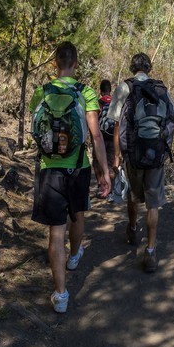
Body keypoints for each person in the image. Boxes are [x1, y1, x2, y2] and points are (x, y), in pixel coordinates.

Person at [29, 42, 112, 313]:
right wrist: (105, 172)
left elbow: (36, 130)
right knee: (78, 214)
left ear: (55, 63)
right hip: (78, 166)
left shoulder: (41, 92)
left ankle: (61, 295)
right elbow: (96, 135)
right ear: (75, 64)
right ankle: (75, 256)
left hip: (49, 168)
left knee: (55, 231)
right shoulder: (85, 92)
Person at [109, 52, 174, 273]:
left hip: (133, 155)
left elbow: (117, 126)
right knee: (153, 203)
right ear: (149, 68)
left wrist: (116, 157)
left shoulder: (124, 88)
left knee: (133, 195)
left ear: (132, 67)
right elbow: (171, 120)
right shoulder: (161, 90)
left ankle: (132, 227)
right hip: (156, 156)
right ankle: (150, 250)